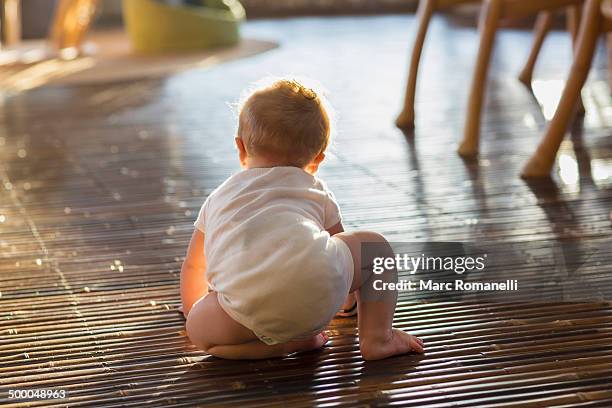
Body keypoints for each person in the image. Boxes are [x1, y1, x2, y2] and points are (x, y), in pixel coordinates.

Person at [180, 78, 424, 360]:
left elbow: (195, 264)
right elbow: (339, 246)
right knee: (374, 249)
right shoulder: (315, 190)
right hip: (317, 307)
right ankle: (378, 338)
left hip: (244, 315)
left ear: (241, 148)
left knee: (200, 330)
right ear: (317, 159)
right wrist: (345, 301)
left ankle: (281, 347)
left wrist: (194, 311)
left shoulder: (220, 197)